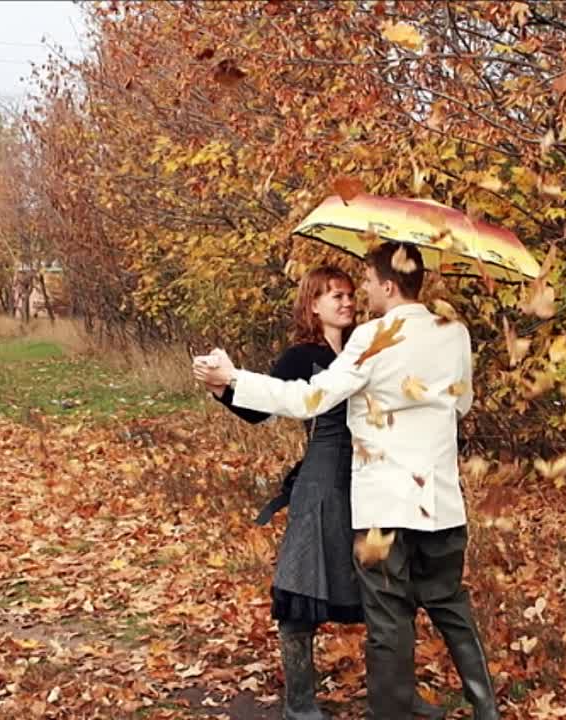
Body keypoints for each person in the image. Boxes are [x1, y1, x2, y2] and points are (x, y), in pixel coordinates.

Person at [194, 242, 499, 720]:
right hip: (441, 501)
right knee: (450, 605)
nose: (362, 293)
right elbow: (460, 405)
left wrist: (235, 377)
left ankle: (391, 714)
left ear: (389, 286)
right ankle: (486, 708)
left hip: (385, 504)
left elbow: (308, 399)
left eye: (367, 283)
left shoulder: (372, 337)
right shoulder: (454, 332)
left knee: (388, 617)